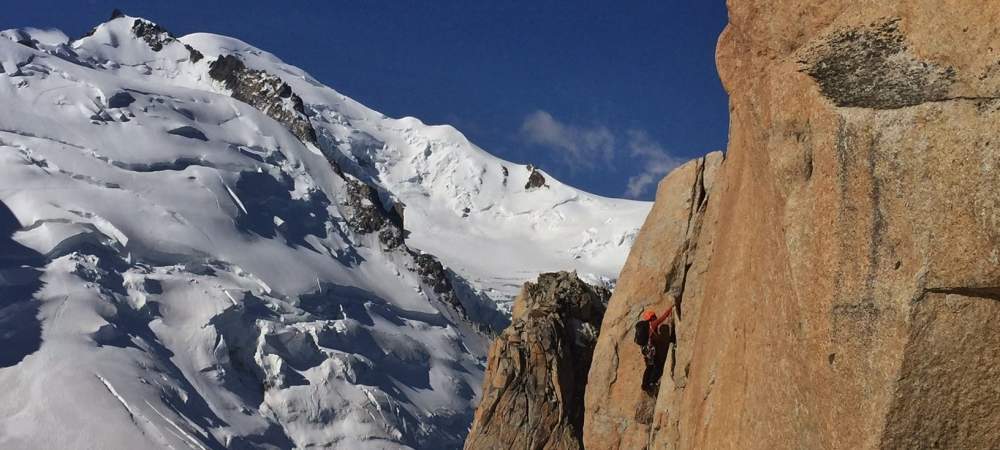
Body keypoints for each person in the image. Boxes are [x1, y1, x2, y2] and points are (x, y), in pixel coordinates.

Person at [638, 305, 673, 392]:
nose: (656, 317)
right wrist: (670, 308)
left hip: (646, 350)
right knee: (656, 365)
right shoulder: (653, 324)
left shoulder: (646, 327)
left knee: (649, 367)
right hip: (651, 350)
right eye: (654, 316)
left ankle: (645, 384)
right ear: (652, 317)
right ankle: (650, 383)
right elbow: (663, 317)